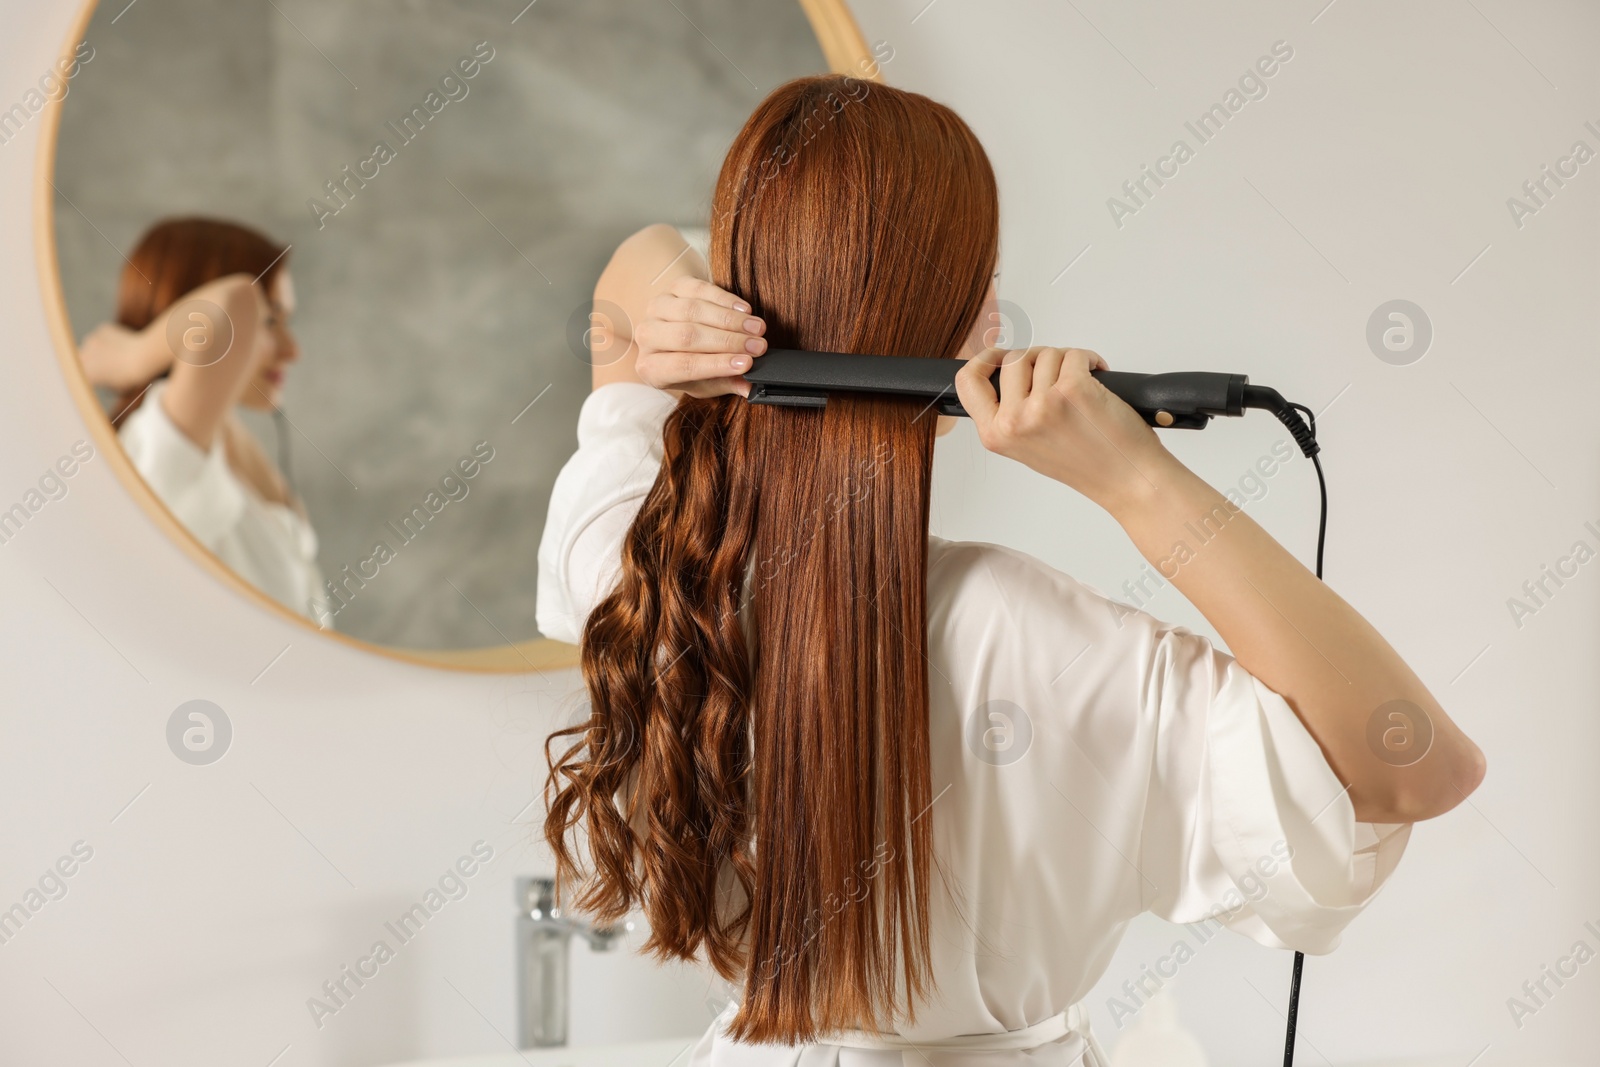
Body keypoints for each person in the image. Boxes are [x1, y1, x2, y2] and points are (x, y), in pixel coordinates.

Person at [538, 76, 1485, 1063]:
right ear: (977, 323)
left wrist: (669, 310)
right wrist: (1137, 480)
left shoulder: (648, 573)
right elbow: (1420, 763)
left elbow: (625, 283)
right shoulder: (1032, 637)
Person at [79, 217, 324, 624]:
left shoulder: (229, 443)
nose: (291, 350)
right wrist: (131, 357)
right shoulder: (159, 443)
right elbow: (234, 304)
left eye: (287, 323)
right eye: (270, 322)